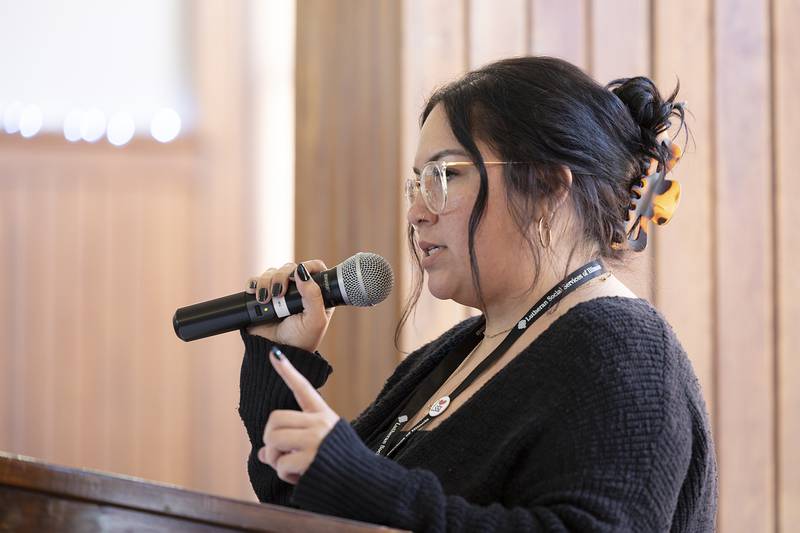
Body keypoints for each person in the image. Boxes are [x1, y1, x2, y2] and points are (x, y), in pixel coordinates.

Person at [237, 56, 717, 532]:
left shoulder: (626, 349)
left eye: (445, 176)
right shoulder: (452, 353)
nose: (416, 213)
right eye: (417, 183)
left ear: (547, 189)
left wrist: (365, 480)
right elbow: (310, 510)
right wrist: (278, 356)